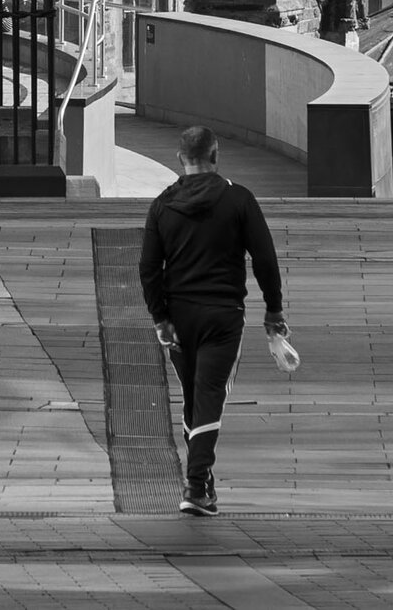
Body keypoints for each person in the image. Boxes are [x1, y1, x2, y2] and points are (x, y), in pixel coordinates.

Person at [139, 126, 287, 517]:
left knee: (194, 398)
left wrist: (160, 316)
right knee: (209, 397)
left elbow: (149, 267)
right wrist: (274, 309)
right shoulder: (239, 199)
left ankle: (202, 483)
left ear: (179, 158)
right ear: (216, 154)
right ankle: (195, 485)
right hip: (223, 315)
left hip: (180, 314)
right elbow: (265, 259)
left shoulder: (162, 205)